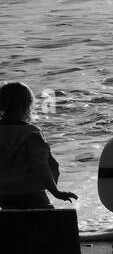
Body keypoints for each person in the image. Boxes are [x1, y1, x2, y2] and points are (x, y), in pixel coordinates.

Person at [0, 82, 78, 210]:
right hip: (30, 193)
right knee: (45, 224)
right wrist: (56, 192)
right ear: (27, 104)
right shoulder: (31, 133)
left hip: (3, 195)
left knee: (12, 224)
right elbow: (41, 168)